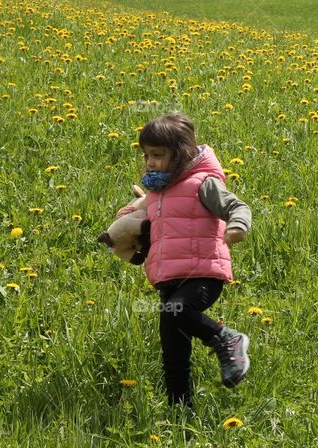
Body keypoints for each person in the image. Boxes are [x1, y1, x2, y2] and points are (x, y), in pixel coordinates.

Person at [116, 111, 252, 412]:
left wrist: (237, 226)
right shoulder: (156, 193)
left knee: (176, 311)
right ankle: (180, 409)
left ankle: (226, 339)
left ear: (179, 155)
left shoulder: (202, 183)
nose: (149, 161)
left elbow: (236, 205)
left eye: (157, 155)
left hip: (203, 272)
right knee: (173, 349)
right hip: (168, 278)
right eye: (146, 155)